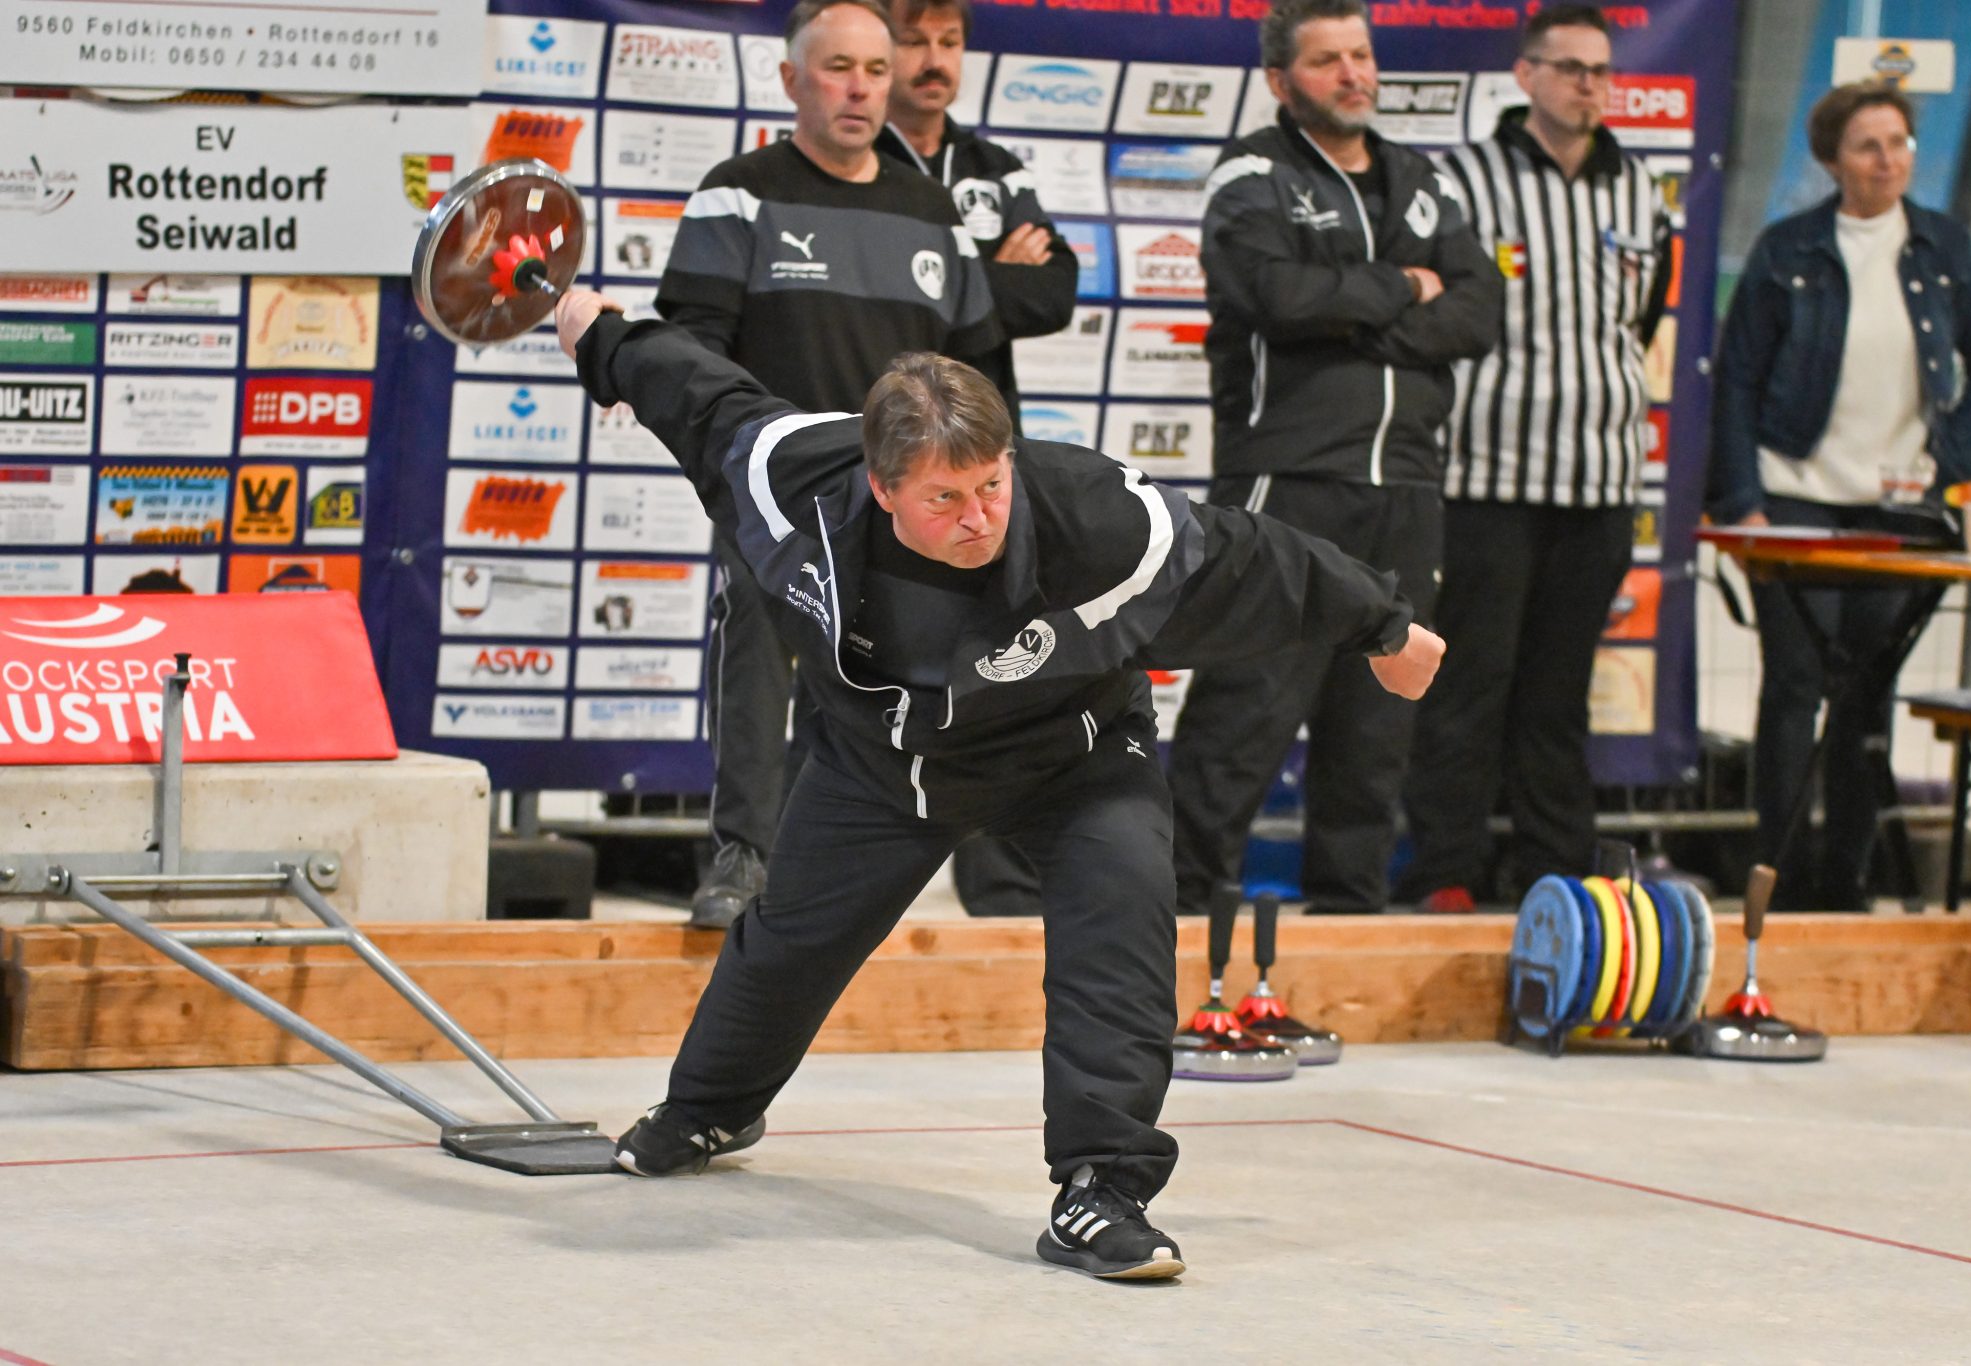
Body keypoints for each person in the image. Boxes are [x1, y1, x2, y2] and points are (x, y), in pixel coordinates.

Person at [552, 287, 1444, 1280]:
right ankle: (708, 1110)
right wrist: (602, 336)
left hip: (1071, 754)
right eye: (943, 498)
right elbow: (697, 393)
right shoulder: (787, 476)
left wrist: (1383, 626)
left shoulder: (1099, 519)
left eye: (989, 485)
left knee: (1121, 917)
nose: (976, 516)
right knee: (787, 943)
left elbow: (1250, 555)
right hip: (875, 763)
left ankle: (1101, 1191)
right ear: (880, 486)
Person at [655, 0, 1003, 927]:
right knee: (760, 667)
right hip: (774, 490)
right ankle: (740, 859)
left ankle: (814, 868)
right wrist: (741, 462)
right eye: (839, 67)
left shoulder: (930, 208)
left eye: (876, 71)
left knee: (870, 685)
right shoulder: (741, 190)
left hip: (898, 502)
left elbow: (977, 365)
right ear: (791, 81)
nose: (860, 88)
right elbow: (691, 350)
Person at [1167, 0, 1501, 918]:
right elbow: (1274, 295)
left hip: (1407, 484)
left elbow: (1480, 310)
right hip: (1290, 477)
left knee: (1379, 721)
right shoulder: (1252, 173)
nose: (1353, 74)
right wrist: (1401, 286)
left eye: (1361, 54)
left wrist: (1358, 320)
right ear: (1281, 82)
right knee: (1247, 708)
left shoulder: (1420, 178)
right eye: (1326, 61)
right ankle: (1178, 905)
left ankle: (1349, 915)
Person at [1708, 82, 1971, 909]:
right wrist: (1743, 500)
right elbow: (1735, 382)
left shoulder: (1941, 246)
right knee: (1792, 691)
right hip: (1795, 498)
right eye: (1869, 146)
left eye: (1901, 144)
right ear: (1832, 160)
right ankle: (1776, 879)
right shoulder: (1787, 250)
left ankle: (1845, 885)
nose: (1889, 161)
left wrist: (1947, 451)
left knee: (1864, 703)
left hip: (1901, 510)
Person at [1401, 4, 1671, 912]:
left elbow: (1642, 321)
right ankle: (1446, 870)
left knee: (1558, 697)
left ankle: (1558, 875)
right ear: (1526, 76)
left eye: (1601, 70)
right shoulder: (1467, 180)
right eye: (1569, 68)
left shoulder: (1640, 188)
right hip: (1487, 478)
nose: (1588, 84)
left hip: (1598, 483)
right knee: (1470, 688)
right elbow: (1432, 308)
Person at [879, 0, 1082, 917]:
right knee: (854, 650)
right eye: (914, 41)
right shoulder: (848, 166)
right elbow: (881, 313)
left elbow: (1055, 291)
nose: (932, 61)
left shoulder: (996, 168)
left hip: (980, 459)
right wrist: (985, 270)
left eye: (948, 43)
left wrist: (953, 274)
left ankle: (1000, 888)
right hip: (881, 456)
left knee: (1005, 655)